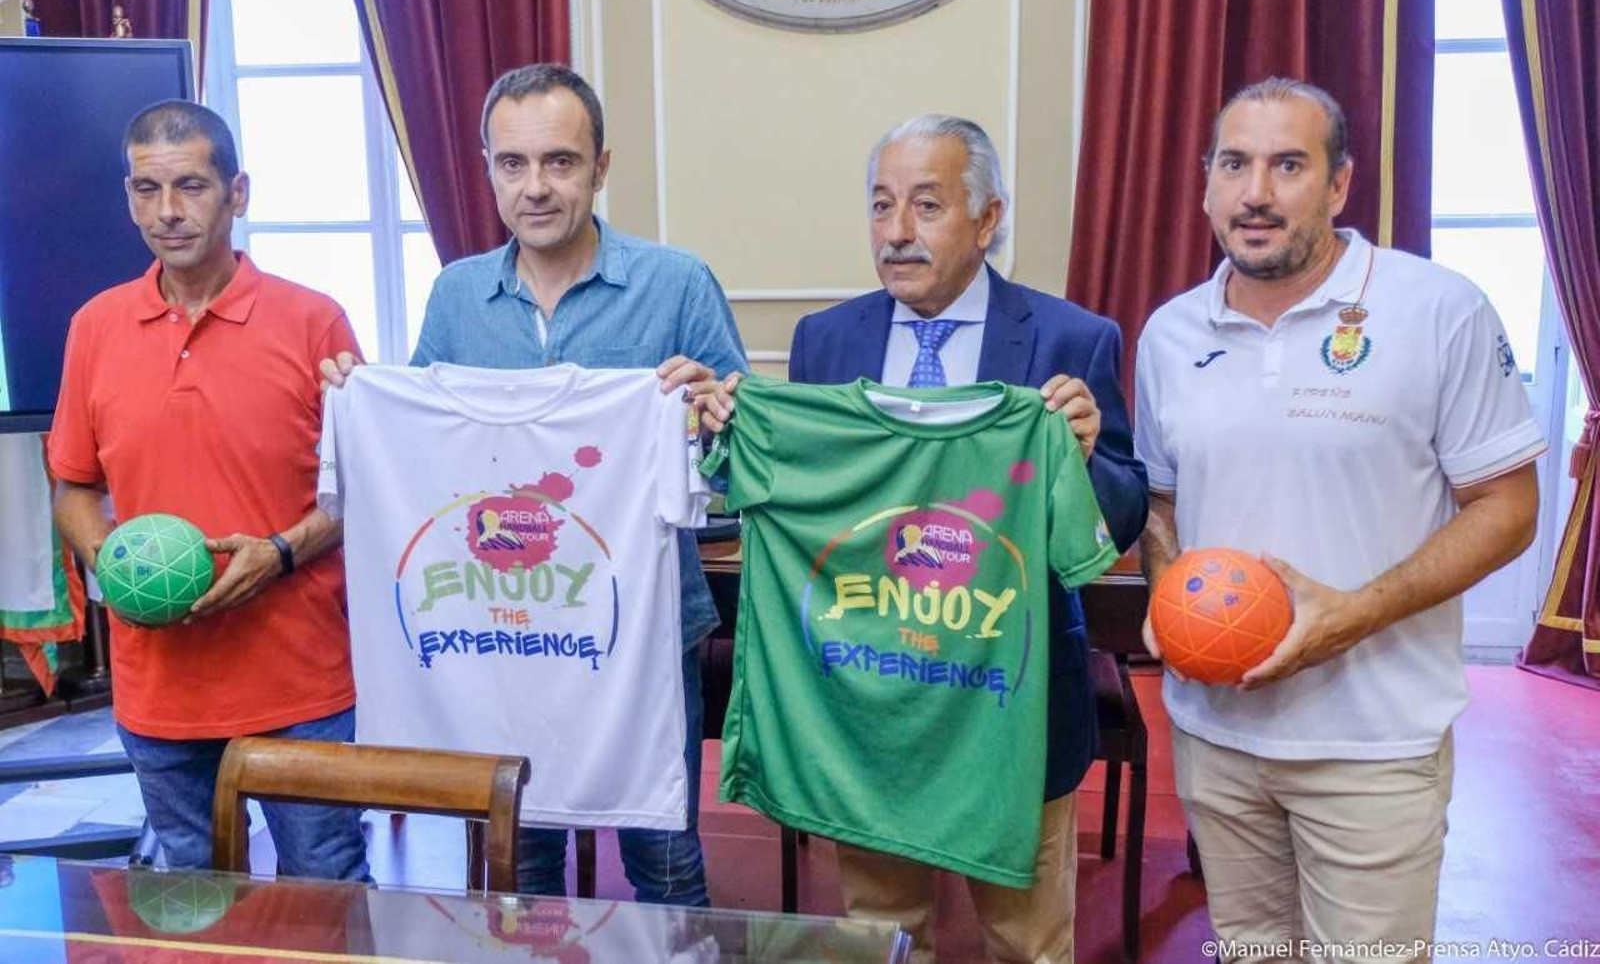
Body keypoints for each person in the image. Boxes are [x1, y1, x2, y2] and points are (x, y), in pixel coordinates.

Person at [701, 113, 1148, 963]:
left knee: (1027, 944)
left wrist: (1086, 458)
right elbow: (805, 496)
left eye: (927, 206)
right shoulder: (827, 340)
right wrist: (726, 426)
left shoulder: (1070, 340)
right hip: (872, 699)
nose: (897, 231)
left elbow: (1119, 517)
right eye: (881, 205)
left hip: (1010, 703)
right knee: (882, 936)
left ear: (987, 219)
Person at [1134, 77, 1543, 961]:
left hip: (1374, 745)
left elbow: (1508, 508)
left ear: (1339, 184)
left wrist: (1353, 614)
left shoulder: (1439, 309)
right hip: (1215, 736)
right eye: (1234, 165)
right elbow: (1162, 502)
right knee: (1252, 951)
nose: (1256, 193)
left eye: (1289, 165)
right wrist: (1170, 589)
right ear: (1205, 184)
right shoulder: (1170, 334)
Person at [321, 63, 746, 905]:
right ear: (487, 169)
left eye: (560, 161)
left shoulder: (675, 284)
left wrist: (715, 421)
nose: (536, 187)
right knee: (522, 861)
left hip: (642, 635)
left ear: (601, 167)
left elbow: (740, 471)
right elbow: (424, 456)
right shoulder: (457, 296)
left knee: (665, 861)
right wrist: (360, 406)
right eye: (513, 163)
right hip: (503, 633)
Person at [50, 100, 368, 879]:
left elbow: (363, 488)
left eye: (190, 185)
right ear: (129, 198)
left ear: (238, 193)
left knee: (326, 894)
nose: (168, 211)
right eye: (147, 189)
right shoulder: (93, 326)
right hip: (159, 691)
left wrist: (279, 554)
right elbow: (73, 486)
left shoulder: (314, 321)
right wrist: (113, 565)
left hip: (299, 684)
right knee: (191, 906)